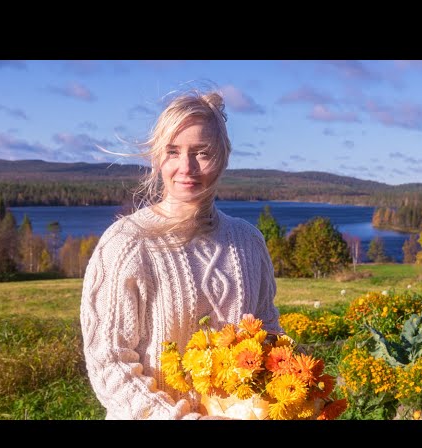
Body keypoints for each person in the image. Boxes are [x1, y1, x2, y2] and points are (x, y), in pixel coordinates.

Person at [80, 89, 284, 420]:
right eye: (173, 152)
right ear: (157, 158)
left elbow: (269, 333)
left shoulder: (248, 241)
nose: (185, 167)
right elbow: (110, 363)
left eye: (201, 152)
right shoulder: (128, 243)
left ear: (223, 157)